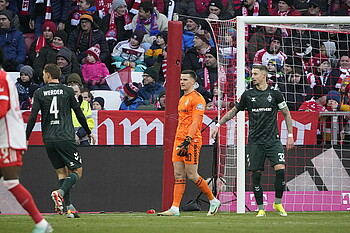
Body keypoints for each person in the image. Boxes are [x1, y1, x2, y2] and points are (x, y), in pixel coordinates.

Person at [211, 65, 294, 217]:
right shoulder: (248, 95)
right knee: (256, 175)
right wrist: (218, 124)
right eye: (252, 74)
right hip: (255, 142)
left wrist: (290, 135)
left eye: (255, 74)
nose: (253, 76)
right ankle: (261, 208)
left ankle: (278, 203)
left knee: (281, 170)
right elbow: (233, 112)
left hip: (273, 141)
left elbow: (287, 114)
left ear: (264, 75)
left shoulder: (275, 94)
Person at [26, 63, 96, 218]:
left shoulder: (39, 92)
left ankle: (69, 207)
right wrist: (88, 131)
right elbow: (78, 113)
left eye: (44, 73)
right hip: (65, 136)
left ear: (49, 75)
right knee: (77, 171)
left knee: (61, 172)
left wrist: (26, 137)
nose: (43, 76)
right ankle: (60, 192)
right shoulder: (67, 91)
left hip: (49, 138)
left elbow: (32, 117)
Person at [0, 49, 53, 233]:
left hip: (7, 139)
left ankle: (41, 224)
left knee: (11, 182)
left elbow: (1, 108)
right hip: (4, 138)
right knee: (10, 183)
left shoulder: (1, 78)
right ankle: (41, 224)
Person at [158, 70, 221, 216]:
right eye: (181, 79)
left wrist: (187, 140)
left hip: (191, 141)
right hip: (179, 140)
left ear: (193, 81)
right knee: (178, 174)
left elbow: (196, 122)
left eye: (185, 79)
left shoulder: (198, 99)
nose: (181, 82)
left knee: (192, 175)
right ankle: (174, 208)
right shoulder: (182, 98)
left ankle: (213, 200)